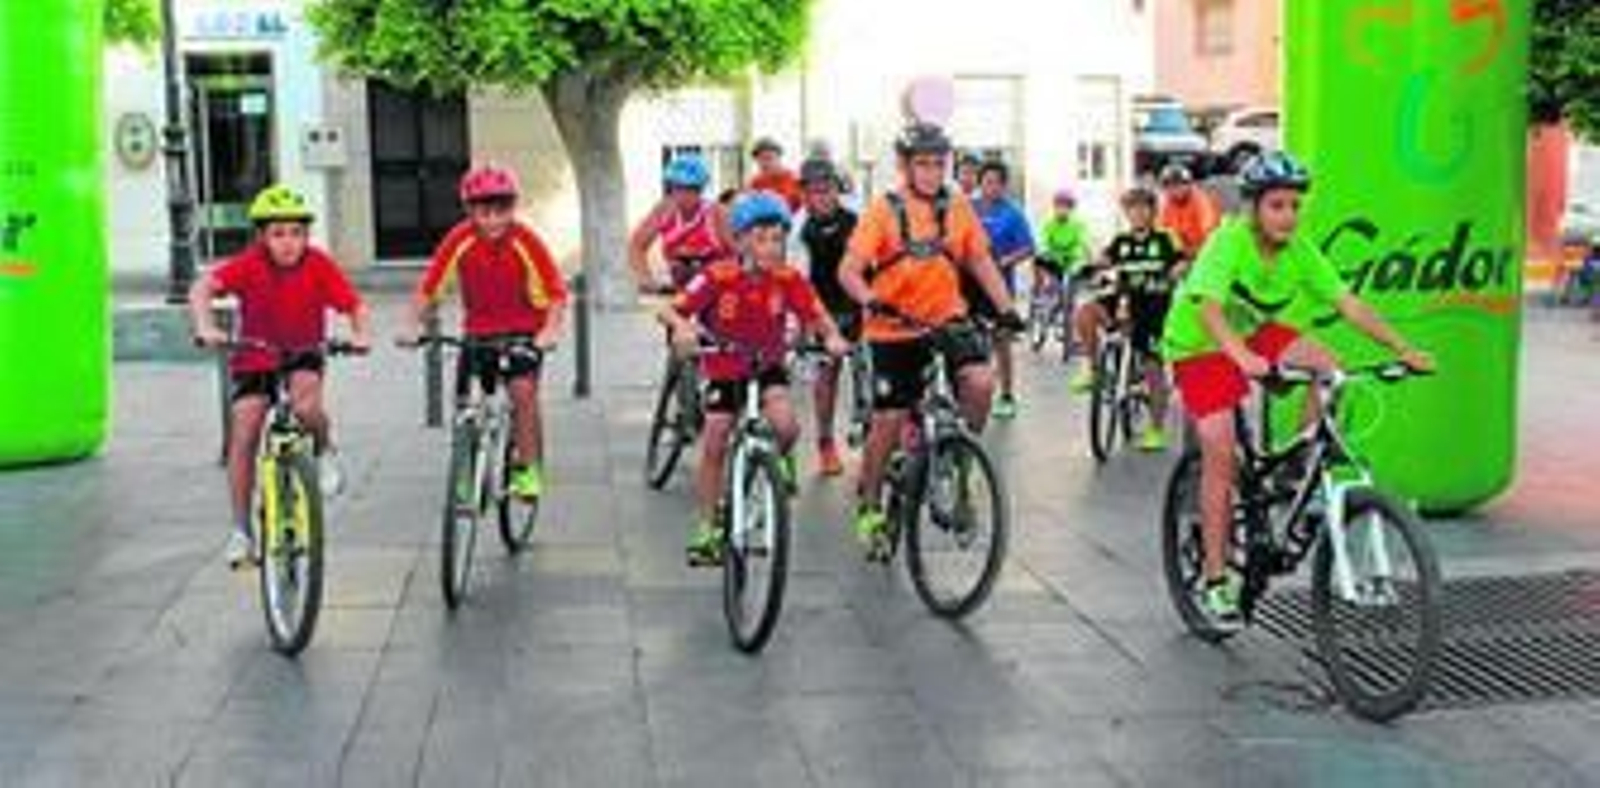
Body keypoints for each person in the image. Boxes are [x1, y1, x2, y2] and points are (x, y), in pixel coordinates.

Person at [1162, 151, 1434, 628]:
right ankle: (1215, 578)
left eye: (1294, 205)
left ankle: (1299, 464)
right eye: (1277, 206)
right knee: (1221, 452)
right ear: (1253, 208)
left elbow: (1348, 304)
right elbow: (1208, 308)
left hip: (1252, 334)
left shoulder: (1301, 250)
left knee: (1330, 368)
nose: (1288, 215)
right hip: (1200, 345)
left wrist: (1403, 348)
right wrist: (1242, 359)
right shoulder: (1229, 243)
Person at [838, 122, 1024, 560]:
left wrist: (1007, 309)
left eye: (939, 164)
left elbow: (979, 259)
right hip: (893, 326)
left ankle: (962, 460)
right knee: (889, 419)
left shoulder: (957, 207)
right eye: (922, 163)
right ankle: (868, 504)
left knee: (980, 382)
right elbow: (848, 270)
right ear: (904, 166)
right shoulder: (883, 211)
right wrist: (870, 299)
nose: (932, 172)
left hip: (946, 317)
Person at [659, 191, 850, 565]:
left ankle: (772, 465)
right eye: (761, 238)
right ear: (741, 240)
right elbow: (671, 308)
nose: (771, 247)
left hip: (767, 365)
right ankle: (709, 527)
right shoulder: (718, 275)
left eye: (777, 239)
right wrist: (682, 328)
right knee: (715, 436)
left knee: (787, 426)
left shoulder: (788, 277)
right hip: (724, 365)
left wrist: (831, 336)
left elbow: (816, 313)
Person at [189, 184, 372, 568]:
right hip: (256, 357)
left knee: (307, 407)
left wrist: (360, 334)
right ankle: (241, 530)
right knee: (244, 431)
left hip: (303, 353)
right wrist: (206, 324)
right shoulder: (250, 263)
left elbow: (354, 305)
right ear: (262, 237)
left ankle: (324, 449)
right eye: (277, 234)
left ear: (306, 235)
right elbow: (202, 287)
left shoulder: (319, 264)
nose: (288, 243)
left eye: (296, 233)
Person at [400, 164, 569, 503]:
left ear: (512, 209)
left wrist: (550, 330)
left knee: (522, 392)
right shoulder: (459, 239)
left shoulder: (526, 240)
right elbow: (429, 288)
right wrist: (411, 323)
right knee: (465, 402)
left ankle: (528, 468)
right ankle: (465, 465)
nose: (493, 220)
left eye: (501, 211)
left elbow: (556, 293)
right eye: (484, 212)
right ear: (470, 211)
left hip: (525, 331)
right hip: (478, 332)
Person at [1069, 187, 1185, 450]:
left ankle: (1156, 429)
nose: (1137, 213)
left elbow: (1180, 262)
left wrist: (1173, 274)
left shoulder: (1166, 238)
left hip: (1153, 304)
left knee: (1153, 366)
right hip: (1124, 299)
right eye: (1132, 208)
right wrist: (1087, 269)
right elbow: (1103, 260)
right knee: (1085, 313)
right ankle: (1094, 369)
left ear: (1152, 211)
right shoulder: (1121, 241)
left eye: (1143, 207)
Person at [797, 157, 861, 476]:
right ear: (805, 194)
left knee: (872, 372)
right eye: (816, 191)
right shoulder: (797, 228)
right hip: (818, 311)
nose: (823, 196)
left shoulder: (856, 220)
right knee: (826, 377)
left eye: (829, 190)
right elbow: (795, 279)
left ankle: (871, 432)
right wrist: (806, 322)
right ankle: (825, 442)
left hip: (857, 307)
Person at [970, 160, 1036, 419]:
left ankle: (1007, 394)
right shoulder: (968, 208)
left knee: (1001, 340)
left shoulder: (1013, 213)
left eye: (997, 183)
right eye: (987, 182)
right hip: (970, 286)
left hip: (1000, 287)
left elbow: (1029, 247)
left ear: (1004, 186)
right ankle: (971, 394)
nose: (992, 187)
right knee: (969, 344)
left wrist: (1005, 261)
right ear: (980, 183)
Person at [630, 154, 733, 293]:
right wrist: (646, 278)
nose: (683, 195)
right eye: (678, 188)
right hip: (681, 282)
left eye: (690, 189)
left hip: (717, 280)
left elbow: (738, 249)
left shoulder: (716, 212)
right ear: (671, 187)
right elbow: (637, 245)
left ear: (700, 190)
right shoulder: (663, 210)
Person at [1035, 187, 1094, 318]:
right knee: (1045, 268)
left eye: (1066, 206)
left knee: (1073, 286)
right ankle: (1047, 295)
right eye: (1059, 205)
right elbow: (1043, 242)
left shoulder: (1077, 225)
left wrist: (1087, 255)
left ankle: (1068, 311)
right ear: (1054, 207)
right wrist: (1045, 251)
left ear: (1071, 208)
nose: (1062, 209)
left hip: (1072, 261)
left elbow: (1084, 241)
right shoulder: (1049, 225)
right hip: (1055, 260)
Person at [1157, 163, 1220, 261]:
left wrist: (1194, 252)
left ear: (1188, 184)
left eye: (1179, 184)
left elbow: (1210, 234)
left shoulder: (1200, 201)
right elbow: (1161, 229)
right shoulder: (1166, 203)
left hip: (1204, 252)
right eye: (1170, 185)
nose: (1175, 190)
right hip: (1182, 251)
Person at [748, 137, 803, 210]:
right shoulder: (755, 182)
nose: (764, 164)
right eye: (760, 160)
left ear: (779, 158)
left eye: (768, 158)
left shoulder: (794, 180)